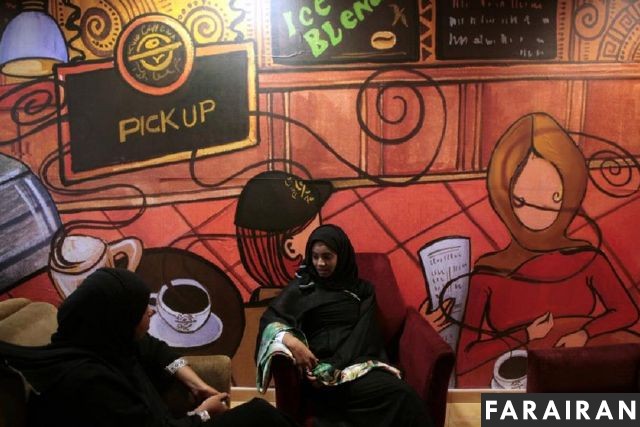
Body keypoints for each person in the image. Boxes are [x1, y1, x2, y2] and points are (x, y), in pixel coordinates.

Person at [455, 113, 639, 387]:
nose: (540, 211)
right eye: (523, 200)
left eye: (555, 197)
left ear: (570, 192)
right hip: (517, 383)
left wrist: (585, 333)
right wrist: (525, 335)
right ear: (505, 197)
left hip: (576, 377)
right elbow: (465, 358)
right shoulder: (488, 273)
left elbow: (627, 312)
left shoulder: (586, 258)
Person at [0, 268, 297, 427]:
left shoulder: (104, 342)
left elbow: (156, 349)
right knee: (260, 415)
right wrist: (204, 414)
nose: (152, 312)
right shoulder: (90, 381)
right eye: (143, 311)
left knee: (261, 415)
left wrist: (197, 384)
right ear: (120, 319)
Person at [256, 224, 432, 427]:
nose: (320, 263)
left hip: (356, 364)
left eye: (327, 257)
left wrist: (335, 366)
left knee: (404, 395)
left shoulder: (362, 290)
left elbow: (363, 335)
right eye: (315, 257)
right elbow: (270, 319)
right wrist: (293, 343)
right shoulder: (303, 287)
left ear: (341, 256)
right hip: (317, 374)